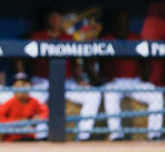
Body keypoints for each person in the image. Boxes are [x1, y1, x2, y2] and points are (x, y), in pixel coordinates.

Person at [16, 9, 102, 141]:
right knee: (34, 100)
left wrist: (79, 79)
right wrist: (22, 77)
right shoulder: (37, 36)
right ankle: (41, 135)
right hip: (42, 80)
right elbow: (19, 56)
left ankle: (83, 135)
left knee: (94, 95)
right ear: (47, 20)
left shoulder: (68, 37)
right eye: (53, 18)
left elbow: (76, 61)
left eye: (59, 18)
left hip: (66, 81)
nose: (56, 21)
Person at [100, 12, 163, 141]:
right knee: (110, 95)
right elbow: (92, 61)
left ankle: (154, 134)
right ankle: (116, 134)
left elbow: (146, 60)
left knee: (156, 95)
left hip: (134, 81)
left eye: (125, 20)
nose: (122, 23)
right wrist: (101, 78)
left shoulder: (136, 37)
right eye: (119, 20)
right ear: (114, 23)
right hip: (115, 81)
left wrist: (145, 77)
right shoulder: (107, 39)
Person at [0, 73, 49, 141]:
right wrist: (17, 122)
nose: (22, 88)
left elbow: (45, 111)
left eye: (24, 84)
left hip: (29, 138)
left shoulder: (33, 101)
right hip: (12, 139)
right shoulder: (10, 101)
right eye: (18, 85)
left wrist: (38, 118)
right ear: (14, 87)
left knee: (42, 126)